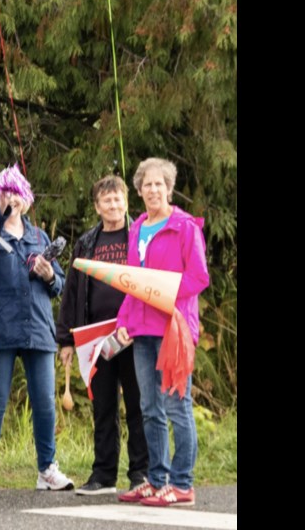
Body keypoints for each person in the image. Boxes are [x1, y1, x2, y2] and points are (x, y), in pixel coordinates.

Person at [0, 164, 74, 493]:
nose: (11, 198)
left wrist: (47, 274)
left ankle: (47, 469)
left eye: (16, 192)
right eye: (5, 192)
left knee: (44, 401)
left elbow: (58, 284)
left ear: (26, 198)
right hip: (0, 327)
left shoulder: (39, 236)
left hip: (38, 328)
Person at [115, 158, 209, 507]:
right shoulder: (137, 227)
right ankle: (156, 480)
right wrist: (124, 322)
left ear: (169, 188)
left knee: (176, 406)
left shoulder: (185, 227)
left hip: (174, 330)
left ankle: (182, 484)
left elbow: (199, 278)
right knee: (149, 408)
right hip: (141, 331)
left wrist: (161, 290)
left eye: (159, 184)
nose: (153, 190)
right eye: (147, 185)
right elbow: (131, 283)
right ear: (138, 191)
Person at [57, 175, 148, 496]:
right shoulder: (86, 243)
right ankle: (103, 474)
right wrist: (66, 339)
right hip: (96, 338)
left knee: (139, 405)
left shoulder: (140, 236)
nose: (114, 204)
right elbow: (70, 292)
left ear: (126, 201)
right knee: (104, 406)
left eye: (118, 198)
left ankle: (141, 473)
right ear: (97, 206)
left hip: (135, 334)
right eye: (107, 200)